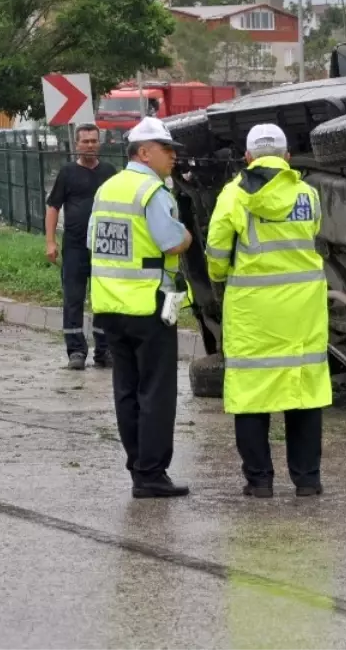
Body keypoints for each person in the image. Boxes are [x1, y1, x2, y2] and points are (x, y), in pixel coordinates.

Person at [205, 123, 331, 499]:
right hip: (303, 312)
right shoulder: (308, 194)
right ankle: (307, 481)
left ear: (247, 157)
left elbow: (215, 251)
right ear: (287, 157)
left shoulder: (233, 196)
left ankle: (259, 482)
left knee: (251, 395)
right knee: (304, 394)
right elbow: (314, 236)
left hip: (253, 314)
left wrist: (221, 276)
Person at [88, 116, 193, 498]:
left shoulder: (108, 188)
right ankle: (152, 473)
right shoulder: (152, 192)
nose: (173, 158)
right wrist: (187, 236)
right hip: (148, 306)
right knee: (157, 392)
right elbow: (170, 242)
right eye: (167, 150)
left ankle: (137, 467)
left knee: (126, 391)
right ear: (144, 152)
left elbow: (93, 243)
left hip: (109, 305)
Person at [45, 124, 118, 370]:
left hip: (104, 248)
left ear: (99, 143)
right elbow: (53, 207)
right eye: (85, 141)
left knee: (103, 300)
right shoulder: (67, 173)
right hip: (75, 247)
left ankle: (104, 350)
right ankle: (76, 352)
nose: (89, 145)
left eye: (93, 141)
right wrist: (51, 241)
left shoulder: (109, 172)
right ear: (76, 145)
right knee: (73, 299)